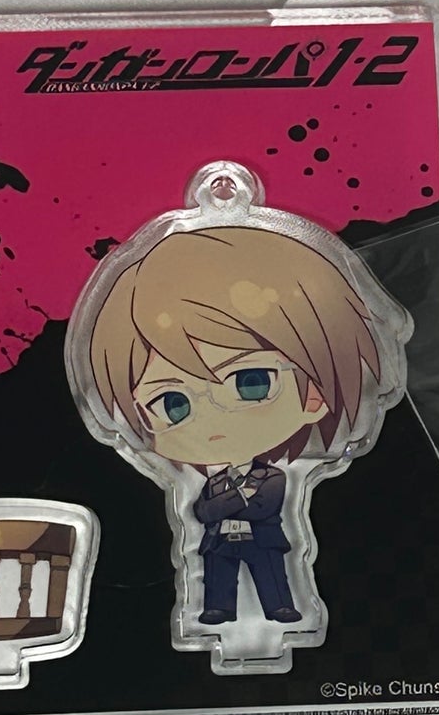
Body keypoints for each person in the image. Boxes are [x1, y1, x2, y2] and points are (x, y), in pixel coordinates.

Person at [83, 217, 386, 626]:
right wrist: (224, 505)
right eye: (172, 403)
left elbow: (260, 506)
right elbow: (203, 511)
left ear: (314, 394)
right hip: (219, 545)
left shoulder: (273, 478)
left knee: (273, 580)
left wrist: (223, 505)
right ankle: (217, 610)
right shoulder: (212, 482)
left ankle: (280, 609)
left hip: (263, 541)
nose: (216, 419)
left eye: (251, 382)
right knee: (217, 584)